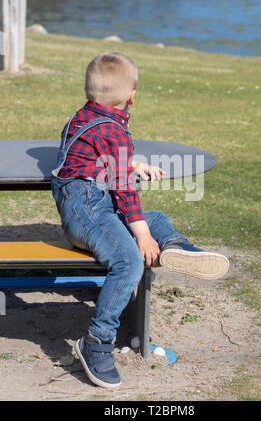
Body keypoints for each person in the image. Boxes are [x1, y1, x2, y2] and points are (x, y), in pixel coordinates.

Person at [51, 52, 229, 389]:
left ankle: (179, 248)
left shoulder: (82, 117)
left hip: (85, 208)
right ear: (132, 94)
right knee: (130, 260)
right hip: (87, 213)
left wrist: (131, 164)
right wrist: (143, 235)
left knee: (158, 217)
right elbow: (123, 191)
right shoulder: (114, 133)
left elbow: (94, 158)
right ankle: (97, 342)